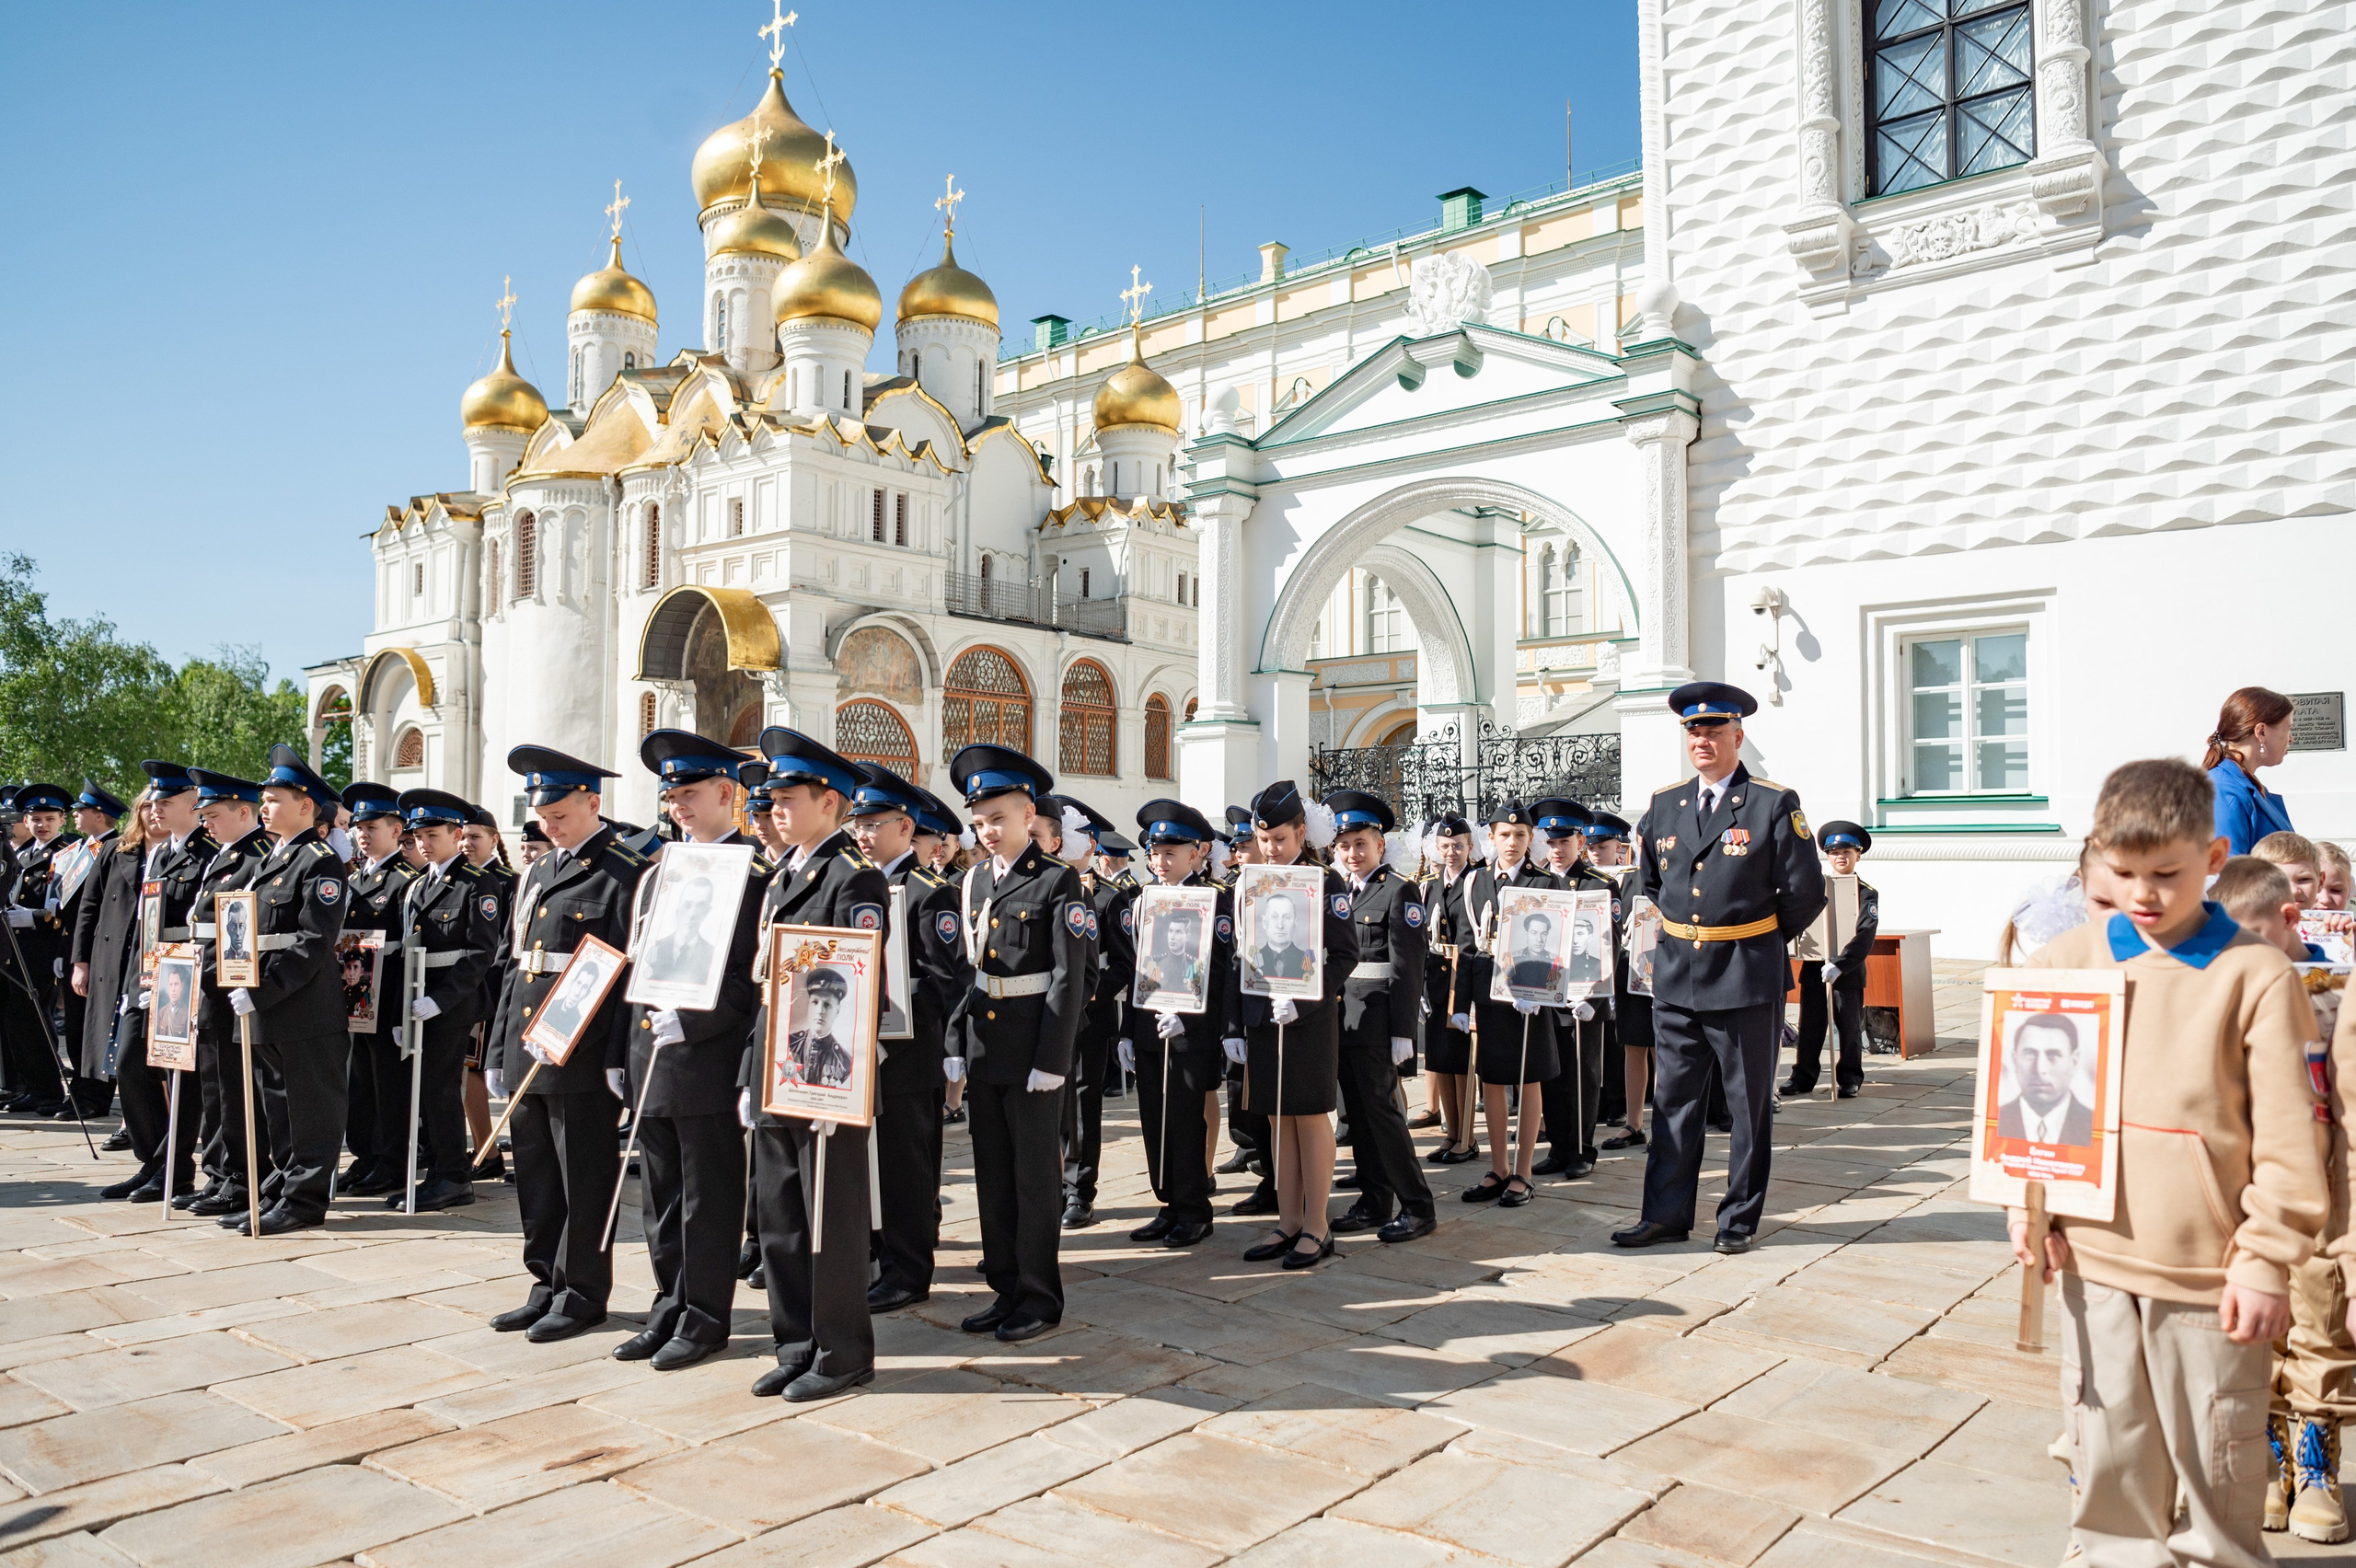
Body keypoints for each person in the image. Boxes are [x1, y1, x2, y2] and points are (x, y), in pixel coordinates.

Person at [2014, 757, 2325, 1568]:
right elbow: (2029, 1114)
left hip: (2208, 1277)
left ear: (2214, 859)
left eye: (2167, 874)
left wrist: (2263, 1261)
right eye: (2122, 873)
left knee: (2218, 1466)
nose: (2144, 895)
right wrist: (2030, 1206)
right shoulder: (2063, 964)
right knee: (2107, 1449)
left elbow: (2294, 1139)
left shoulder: (2253, 975)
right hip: (2093, 1262)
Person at [1615, 682, 1826, 1255]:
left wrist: (1756, 939)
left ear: (1739, 735)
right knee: (1673, 1104)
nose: (1701, 739)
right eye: (1693, 730)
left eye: (1713, 730)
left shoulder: (1772, 803)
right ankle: (1664, 1215)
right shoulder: (1665, 804)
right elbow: (1650, 885)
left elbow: (1806, 891)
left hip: (1745, 976)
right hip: (1678, 975)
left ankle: (1737, 1219)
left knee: (1746, 1108)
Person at [609, 732, 768, 1373]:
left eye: (691, 792)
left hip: (710, 1059)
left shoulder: (753, 874)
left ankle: (704, 1316)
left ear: (727, 794)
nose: (678, 804)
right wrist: (624, 1053)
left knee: (707, 1200)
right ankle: (668, 1306)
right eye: (672, 794)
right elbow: (638, 968)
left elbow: (754, 980)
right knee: (662, 1197)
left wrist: (697, 1022)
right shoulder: (657, 874)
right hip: (654, 1055)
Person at [738, 727, 889, 1399]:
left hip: (827, 1075)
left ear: (830, 802)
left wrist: (833, 1082)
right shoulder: (783, 878)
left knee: (831, 1217)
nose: (774, 809)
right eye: (770, 798)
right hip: (778, 1064)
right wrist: (752, 1067)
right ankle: (795, 1341)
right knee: (780, 1214)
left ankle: (842, 1351)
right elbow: (764, 983)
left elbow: (862, 987)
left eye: (788, 797)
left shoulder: (851, 880)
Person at [488, 745, 653, 1342]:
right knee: (535, 1175)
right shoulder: (537, 871)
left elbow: (627, 976)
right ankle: (544, 1283)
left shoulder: (623, 873)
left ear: (592, 803)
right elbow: (517, 964)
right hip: (530, 1044)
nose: (549, 827)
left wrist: (615, 1058)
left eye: (559, 815)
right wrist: (499, 1049)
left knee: (582, 1179)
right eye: (542, 817)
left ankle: (582, 1292)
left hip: (582, 1053)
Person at [944, 743, 1089, 1337]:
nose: (988, 831)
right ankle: (1005, 1287)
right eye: (979, 822)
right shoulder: (974, 881)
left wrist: (1053, 1059)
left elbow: (1069, 978)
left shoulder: (1058, 883)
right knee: (994, 1176)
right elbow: (965, 969)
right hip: (986, 1047)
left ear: (1029, 817)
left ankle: (1038, 1297)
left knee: (1033, 1181)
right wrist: (956, 1038)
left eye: (999, 819)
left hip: (1033, 1053)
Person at [844, 766, 964, 1313]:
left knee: (905, 1166)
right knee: (866, 1162)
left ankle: (908, 1270)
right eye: (859, 825)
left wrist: (891, 1008)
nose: (864, 835)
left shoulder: (927, 892)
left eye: (875, 824)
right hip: (856, 1046)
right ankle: (875, 1252)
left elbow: (945, 978)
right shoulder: (852, 883)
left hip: (908, 1050)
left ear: (905, 826)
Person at [1223, 780, 1357, 1269]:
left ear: (1302, 832)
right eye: (1263, 840)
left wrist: (1307, 999)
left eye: (1280, 838)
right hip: (1262, 1015)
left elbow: (1345, 953)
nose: (1270, 848)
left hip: (1309, 1019)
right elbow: (1238, 957)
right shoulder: (1249, 884)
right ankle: (1289, 1220)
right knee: (1278, 1118)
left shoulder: (1326, 882)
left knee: (1309, 1116)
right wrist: (1235, 1025)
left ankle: (1318, 1226)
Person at [221, 745, 352, 1235]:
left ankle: (304, 1201)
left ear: (304, 805)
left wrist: (264, 991)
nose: (265, 806)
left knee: (310, 1109)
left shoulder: (319, 862)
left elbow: (313, 942)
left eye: (274, 798)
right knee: (277, 1107)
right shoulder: (270, 858)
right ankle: (279, 1190)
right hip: (266, 1005)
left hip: (302, 1007)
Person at [1323, 790, 1437, 1245]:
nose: (1353, 853)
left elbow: (1408, 965)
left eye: (1361, 844)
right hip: (1342, 1018)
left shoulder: (1398, 890)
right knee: (1360, 1117)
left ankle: (1418, 1206)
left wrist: (1403, 1032)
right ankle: (1374, 1200)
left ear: (1380, 846)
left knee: (1385, 1117)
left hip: (1377, 1021)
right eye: (1345, 846)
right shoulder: (1334, 890)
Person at [1118, 801, 1229, 1249]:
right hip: (1149, 1025)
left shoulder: (1214, 900)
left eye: (1171, 853)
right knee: (1154, 1119)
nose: (1160, 862)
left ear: (1197, 853)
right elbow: (1135, 967)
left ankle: (1194, 1208)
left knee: (1184, 1121)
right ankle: (1168, 1202)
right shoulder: (1144, 899)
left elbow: (1222, 973)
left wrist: (1190, 1017)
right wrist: (1128, 1028)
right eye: (1155, 853)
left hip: (1189, 1031)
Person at [386, 789, 499, 1213]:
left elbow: (479, 954)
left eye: (433, 834)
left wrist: (440, 1000)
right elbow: (406, 954)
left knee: (441, 1088)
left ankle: (453, 1176)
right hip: (418, 1002)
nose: (424, 843)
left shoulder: (478, 884)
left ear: (456, 834)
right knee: (423, 1091)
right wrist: (401, 1009)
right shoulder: (417, 886)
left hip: (452, 1004)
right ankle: (437, 1170)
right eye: (419, 836)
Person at [1453, 802, 1560, 1207]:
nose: (1511, 843)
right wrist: (1460, 1004)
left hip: (1531, 997)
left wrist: (1542, 990)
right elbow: (1467, 945)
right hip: (1490, 994)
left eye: (1519, 836)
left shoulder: (1546, 883)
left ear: (1530, 839)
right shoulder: (1475, 881)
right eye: (1503, 835)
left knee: (1529, 1078)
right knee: (1493, 1081)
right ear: (1491, 838)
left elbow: (1556, 946)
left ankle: (1524, 1170)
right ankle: (1498, 1166)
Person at [181, 770, 272, 1216]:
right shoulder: (226, 854)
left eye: (213, 814)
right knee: (214, 1086)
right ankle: (218, 1173)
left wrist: (209, 973)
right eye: (203, 814)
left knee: (235, 1089)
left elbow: (243, 931)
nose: (206, 823)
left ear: (243, 811)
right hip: (206, 981)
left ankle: (240, 1176)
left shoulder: (259, 856)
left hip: (228, 982)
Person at [337, 782, 419, 1196]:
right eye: (357, 827)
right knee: (360, 1082)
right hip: (356, 993)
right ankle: (365, 1157)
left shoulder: (406, 880)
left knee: (388, 1082)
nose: (362, 834)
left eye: (372, 826)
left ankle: (391, 1161)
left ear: (396, 830)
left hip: (387, 996)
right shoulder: (355, 878)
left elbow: (409, 947)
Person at [1783, 821, 1881, 1100]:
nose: (1841, 857)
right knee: (1811, 1026)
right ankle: (1803, 1077)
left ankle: (1849, 1077)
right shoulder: (1815, 888)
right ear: (1827, 856)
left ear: (1858, 855)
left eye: (1847, 852)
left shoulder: (1865, 892)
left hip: (1846, 971)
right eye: (1835, 852)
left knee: (1849, 1027)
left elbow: (1864, 934)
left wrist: (1840, 963)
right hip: (1815, 968)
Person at [0, 783, 75, 1118]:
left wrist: (37, 918)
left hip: (48, 946)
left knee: (37, 1019)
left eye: (49, 818)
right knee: (19, 1019)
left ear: (62, 820)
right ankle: (33, 1087)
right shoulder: (25, 853)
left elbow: (71, 904)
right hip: (18, 948)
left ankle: (49, 1090)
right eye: (35, 818)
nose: (42, 824)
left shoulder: (70, 851)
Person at [57, 782, 128, 1121]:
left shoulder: (116, 848)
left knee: (98, 1026)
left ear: (99, 815)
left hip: (103, 948)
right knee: (76, 1025)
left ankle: (95, 1096)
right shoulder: (79, 849)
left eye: (81, 810)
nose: (75, 815)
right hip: (76, 946)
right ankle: (80, 1092)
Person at [1420, 816, 1484, 1166]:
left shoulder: (1476, 882)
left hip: (1464, 979)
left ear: (1470, 847)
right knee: (1440, 1060)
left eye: (1458, 845)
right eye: (1445, 846)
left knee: (1462, 1062)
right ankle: (1451, 1131)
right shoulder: (1428, 886)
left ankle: (1467, 1138)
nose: (1451, 852)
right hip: (1436, 980)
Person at [461, 806, 515, 1180]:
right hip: (465, 992)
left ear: (494, 840)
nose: (467, 844)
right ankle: (484, 1148)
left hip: (491, 990)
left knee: (480, 1074)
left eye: (475, 837)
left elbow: (506, 944)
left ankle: (489, 1151)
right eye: (462, 837)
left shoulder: (508, 881)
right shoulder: (464, 878)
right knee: (467, 1074)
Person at [2204, 686, 2297, 855]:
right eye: (2288, 728)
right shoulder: (2223, 789)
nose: (2291, 738)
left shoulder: (2242, 783)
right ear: (2261, 732)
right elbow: (2229, 871)